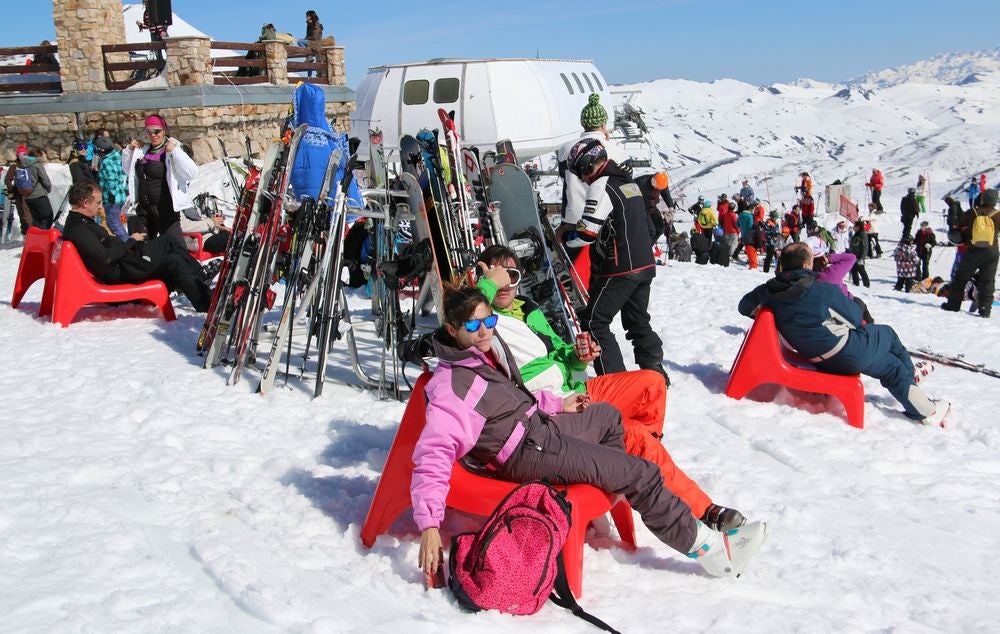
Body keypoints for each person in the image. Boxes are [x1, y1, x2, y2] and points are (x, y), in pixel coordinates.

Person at [413, 286, 767, 582]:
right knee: (639, 470)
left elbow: (511, 400)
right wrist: (430, 523)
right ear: (451, 328)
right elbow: (434, 453)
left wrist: (556, 404)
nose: (485, 330)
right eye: (473, 324)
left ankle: (600, 502)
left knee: (607, 417)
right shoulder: (452, 385)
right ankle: (712, 549)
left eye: (489, 320)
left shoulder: (482, 354)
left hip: (537, 429)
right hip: (527, 452)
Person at [475, 247, 747, 530]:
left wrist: (577, 355)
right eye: (497, 276)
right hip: (551, 409)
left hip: (574, 388)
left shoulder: (528, 310)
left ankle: (638, 468)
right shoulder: (480, 324)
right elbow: (455, 323)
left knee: (651, 384)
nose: (504, 283)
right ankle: (702, 509)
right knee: (637, 437)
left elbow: (558, 353)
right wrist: (485, 288)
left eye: (511, 275)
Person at [738, 242, 949, 426]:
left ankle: (922, 404)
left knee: (890, 366)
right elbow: (856, 319)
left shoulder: (768, 291)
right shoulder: (821, 289)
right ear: (805, 266)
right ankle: (916, 388)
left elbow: (744, 306)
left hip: (813, 355)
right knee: (887, 334)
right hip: (844, 352)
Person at [560, 138, 667, 381]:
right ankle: (654, 370)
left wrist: (564, 235)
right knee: (637, 320)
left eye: (580, 173)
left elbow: (587, 232)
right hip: (644, 264)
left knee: (594, 321)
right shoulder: (628, 181)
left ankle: (614, 380)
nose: (582, 179)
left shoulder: (602, 185)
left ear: (587, 166)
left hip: (620, 268)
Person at [61, 181, 211, 311]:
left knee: (174, 261)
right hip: (123, 272)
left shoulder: (80, 222)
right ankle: (200, 273)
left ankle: (206, 302)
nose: (100, 208)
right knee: (166, 241)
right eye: (98, 203)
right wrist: (130, 242)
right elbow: (105, 258)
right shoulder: (78, 229)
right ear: (85, 203)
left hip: (126, 264)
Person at [557, 93, 629, 244]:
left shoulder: (565, 149)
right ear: (603, 125)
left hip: (572, 220)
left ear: (583, 123)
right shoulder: (618, 152)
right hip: (604, 221)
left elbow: (565, 178)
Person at [122, 114, 198, 241]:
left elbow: (192, 172)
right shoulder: (142, 150)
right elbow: (127, 169)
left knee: (174, 247)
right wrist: (129, 150)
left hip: (165, 208)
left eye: (156, 131)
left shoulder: (172, 149)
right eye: (149, 132)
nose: (153, 135)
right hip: (143, 209)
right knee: (140, 248)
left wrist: (174, 151)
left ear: (164, 131)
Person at [941, 189, 1000, 318]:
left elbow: (957, 224)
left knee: (961, 278)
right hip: (992, 251)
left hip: (973, 250)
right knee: (988, 281)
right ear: (995, 201)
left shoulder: (973, 212)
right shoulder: (998, 214)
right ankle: (985, 309)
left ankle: (953, 305)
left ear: (983, 199)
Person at [806, 235, 873, 323]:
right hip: (848, 307)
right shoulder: (831, 274)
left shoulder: (804, 276)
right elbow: (851, 258)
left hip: (826, 311)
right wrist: (829, 258)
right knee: (860, 305)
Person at [6, 145, 53, 229]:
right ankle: (41, 238)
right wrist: (48, 189)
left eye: (24, 154)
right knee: (47, 216)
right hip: (38, 195)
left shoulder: (20, 166)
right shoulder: (36, 165)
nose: (22, 157)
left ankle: (33, 237)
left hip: (27, 196)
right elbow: (45, 180)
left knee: (35, 219)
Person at [94, 135, 129, 242]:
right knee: (115, 223)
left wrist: (111, 195)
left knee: (114, 224)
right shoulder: (118, 156)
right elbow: (125, 175)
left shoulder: (105, 162)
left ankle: (129, 246)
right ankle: (125, 244)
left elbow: (111, 179)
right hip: (121, 195)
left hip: (112, 198)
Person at [635, 171, 674, 240]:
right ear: (653, 179)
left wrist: (671, 207)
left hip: (653, 208)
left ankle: (649, 247)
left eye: (659, 188)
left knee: (660, 228)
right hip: (642, 209)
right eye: (655, 186)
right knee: (651, 231)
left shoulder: (662, 183)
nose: (656, 189)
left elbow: (666, 195)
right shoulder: (641, 182)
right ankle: (644, 248)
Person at [296, 10, 324, 78]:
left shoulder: (316, 24)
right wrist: (304, 39)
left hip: (315, 43)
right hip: (311, 42)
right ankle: (309, 76)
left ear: (311, 16)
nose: (306, 17)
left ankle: (309, 56)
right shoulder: (309, 24)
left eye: (307, 16)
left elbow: (315, 36)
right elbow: (307, 36)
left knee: (299, 42)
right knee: (309, 60)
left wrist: (305, 40)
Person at [849, 220, 871, 288]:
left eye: (855, 226)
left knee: (861, 270)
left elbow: (865, 247)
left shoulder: (862, 234)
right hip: (854, 255)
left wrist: (862, 257)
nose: (853, 227)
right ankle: (856, 283)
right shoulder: (856, 234)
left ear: (858, 227)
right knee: (854, 270)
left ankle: (866, 284)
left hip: (859, 256)